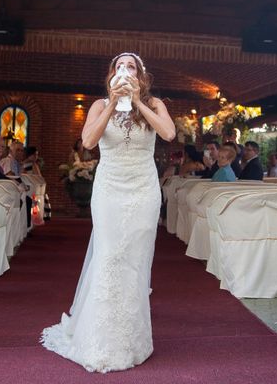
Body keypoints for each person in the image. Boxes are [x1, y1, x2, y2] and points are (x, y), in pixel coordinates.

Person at [41, 52, 175, 373]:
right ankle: (100, 338)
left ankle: (133, 340)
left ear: (141, 75)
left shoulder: (155, 104)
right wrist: (115, 103)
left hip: (143, 190)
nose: (125, 71)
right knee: (110, 255)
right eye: (120, 67)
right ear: (111, 75)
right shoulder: (100, 105)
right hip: (110, 189)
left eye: (132, 67)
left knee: (136, 258)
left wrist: (138, 102)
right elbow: (88, 141)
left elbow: (168, 134)